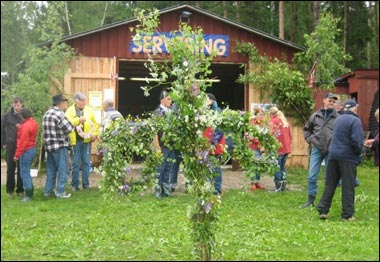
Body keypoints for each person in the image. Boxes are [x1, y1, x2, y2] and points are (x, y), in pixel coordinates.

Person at [317, 99, 364, 221]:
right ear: (354, 109)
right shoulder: (355, 120)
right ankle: (347, 214)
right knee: (348, 185)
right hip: (347, 157)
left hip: (333, 155)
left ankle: (323, 210)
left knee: (330, 183)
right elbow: (357, 140)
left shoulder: (338, 119)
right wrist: (359, 153)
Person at [300, 92, 339, 208]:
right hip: (317, 148)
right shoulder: (315, 116)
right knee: (312, 175)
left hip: (330, 150)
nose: (331, 103)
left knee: (329, 177)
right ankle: (310, 200)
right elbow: (307, 129)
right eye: (330, 100)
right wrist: (311, 140)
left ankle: (325, 202)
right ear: (324, 101)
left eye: (333, 101)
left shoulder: (337, 117)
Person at [66, 92, 99, 191]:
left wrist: (95, 134)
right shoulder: (70, 111)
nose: (83, 103)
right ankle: (74, 185)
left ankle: (86, 184)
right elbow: (67, 121)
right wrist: (78, 120)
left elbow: (95, 124)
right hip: (75, 141)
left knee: (86, 162)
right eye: (81, 101)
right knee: (76, 163)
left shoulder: (89, 110)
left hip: (87, 141)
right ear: (76, 101)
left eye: (84, 101)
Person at [43, 94, 74, 198]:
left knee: (51, 170)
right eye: (65, 102)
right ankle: (60, 192)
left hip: (49, 147)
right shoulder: (59, 114)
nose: (66, 105)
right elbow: (69, 128)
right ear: (61, 103)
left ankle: (48, 191)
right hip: (60, 146)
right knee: (63, 170)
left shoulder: (47, 113)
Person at [152, 89, 180, 199]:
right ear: (162, 100)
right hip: (162, 145)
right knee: (160, 167)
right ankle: (157, 189)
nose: (171, 101)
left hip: (171, 145)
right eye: (168, 99)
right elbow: (154, 131)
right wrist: (157, 146)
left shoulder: (171, 112)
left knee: (169, 167)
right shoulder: (157, 112)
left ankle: (166, 189)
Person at [1, 96, 24, 197]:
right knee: (10, 168)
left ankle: (20, 190)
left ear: (22, 104)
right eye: (14, 105)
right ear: (12, 105)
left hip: (22, 145)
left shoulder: (24, 114)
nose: (16, 107)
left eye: (18, 105)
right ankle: (10, 190)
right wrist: (3, 143)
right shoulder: (6, 115)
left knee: (21, 168)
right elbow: (1, 130)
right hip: (10, 144)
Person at [14, 108, 38, 202]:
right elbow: (29, 134)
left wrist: (17, 154)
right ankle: (30, 190)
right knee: (26, 171)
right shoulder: (33, 123)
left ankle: (28, 195)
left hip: (26, 151)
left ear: (22, 116)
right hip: (32, 149)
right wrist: (21, 128)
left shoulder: (25, 126)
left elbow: (23, 142)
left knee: (24, 172)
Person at [204, 93, 225, 195]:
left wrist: (214, 142)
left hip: (215, 144)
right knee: (207, 166)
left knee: (215, 166)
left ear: (212, 100)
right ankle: (208, 186)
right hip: (206, 142)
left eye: (207, 100)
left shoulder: (217, 112)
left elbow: (219, 130)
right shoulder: (204, 111)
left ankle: (217, 188)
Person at [268, 106, 292, 192]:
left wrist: (266, 146)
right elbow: (290, 136)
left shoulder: (273, 121)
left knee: (276, 167)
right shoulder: (285, 121)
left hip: (277, 148)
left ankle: (277, 187)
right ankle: (283, 186)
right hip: (286, 148)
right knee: (282, 167)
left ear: (271, 114)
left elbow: (270, 135)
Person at [247, 107, 267, 191]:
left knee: (259, 165)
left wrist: (264, 146)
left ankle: (257, 182)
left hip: (261, 148)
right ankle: (253, 183)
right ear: (256, 115)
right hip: (253, 147)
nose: (262, 116)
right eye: (260, 114)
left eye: (263, 114)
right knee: (254, 165)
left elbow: (267, 136)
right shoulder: (252, 122)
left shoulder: (263, 124)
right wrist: (257, 141)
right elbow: (250, 135)